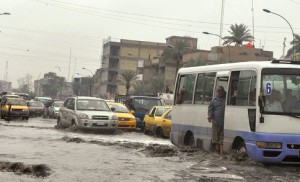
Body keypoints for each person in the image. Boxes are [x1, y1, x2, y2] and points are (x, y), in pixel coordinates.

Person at [207, 85, 226, 154]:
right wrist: (209, 117)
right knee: (215, 138)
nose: (219, 92)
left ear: (223, 91)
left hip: (224, 122)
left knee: (222, 138)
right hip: (215, 121)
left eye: (220, 90)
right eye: (218, 91)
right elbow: (210, 110)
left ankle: (221, 153)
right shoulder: (214, 101)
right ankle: (217, 152)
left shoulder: (226, 100)